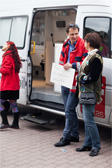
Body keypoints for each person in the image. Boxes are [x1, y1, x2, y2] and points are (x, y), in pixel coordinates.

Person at [54, 23, 88, 147]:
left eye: (76, 33)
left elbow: (85, 65)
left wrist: (72, 65)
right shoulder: (65, 44)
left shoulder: (83, 44)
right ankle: (74, 134)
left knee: (68, 110)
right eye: (72, 34)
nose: (74, 36)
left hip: (75, 84)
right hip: (65, 81)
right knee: (70, 110)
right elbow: (61, 61)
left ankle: (66, 137)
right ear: (67, 34)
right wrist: (59, 69)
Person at [76, 32, 103, 156]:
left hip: (90, 92)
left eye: (85, 41)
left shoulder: (96, 57)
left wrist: (80, 77)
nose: (84, 43)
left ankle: (96, 146)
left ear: (89, 43)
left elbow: (92, 77)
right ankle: (87, 144)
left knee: (89, 120)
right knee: (87, 120)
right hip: (86, 92)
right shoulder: (90, 55)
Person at [0, 41, 22, 129]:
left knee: (0, 103)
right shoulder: (15, 56)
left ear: (8, 46)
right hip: (14, 85)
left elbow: (6, 70)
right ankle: (15, 124)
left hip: (7, 85)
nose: (3, 45)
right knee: (13, 103)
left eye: (5, 44)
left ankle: (5, 123)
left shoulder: (7, 56)